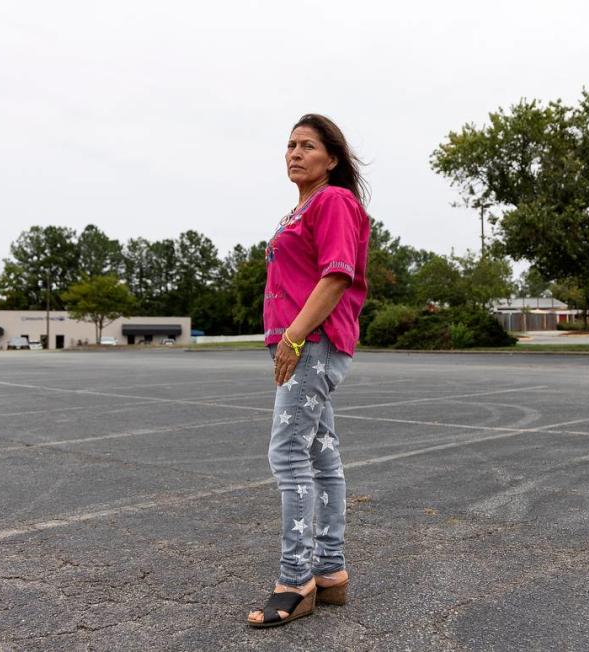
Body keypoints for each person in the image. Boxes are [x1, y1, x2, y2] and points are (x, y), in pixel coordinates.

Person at [246, 114, 371, 628]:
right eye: (290, 145)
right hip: (301, 340)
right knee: (320, 452)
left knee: (287, 450)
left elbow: (337, 275)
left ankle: (296, 579)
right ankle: (330, 572)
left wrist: (295, 337)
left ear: (332, 159)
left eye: (308, 146)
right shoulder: (299, 209)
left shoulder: (334, 201)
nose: (294, 153)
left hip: (312, 341)